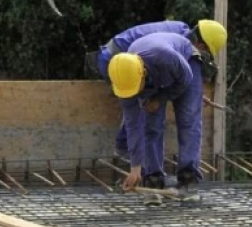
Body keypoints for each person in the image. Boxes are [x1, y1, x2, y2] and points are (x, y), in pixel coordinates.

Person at [86, 19, 227, 156]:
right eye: (205, 51)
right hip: (116, 61)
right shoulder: (171, 48)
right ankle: (125, 149)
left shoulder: (178, 31)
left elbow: (172, 76)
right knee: (143, 103)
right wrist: (162, 97)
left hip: (114, 56)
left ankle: (127, 149)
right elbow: (164, 77)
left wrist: (195, 95)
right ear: (202, 45)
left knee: (146, 100)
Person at [107, 31, 212, 199]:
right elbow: (133, 124)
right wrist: (135, 169)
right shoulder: (124, 78)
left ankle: (188, 178)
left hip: (186, 65)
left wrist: (160, 98)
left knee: (188, 119)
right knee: (151, 126)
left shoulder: (166, 57)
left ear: (142, 74)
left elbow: (185, 79)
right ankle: (153, 178)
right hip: (155, 75)